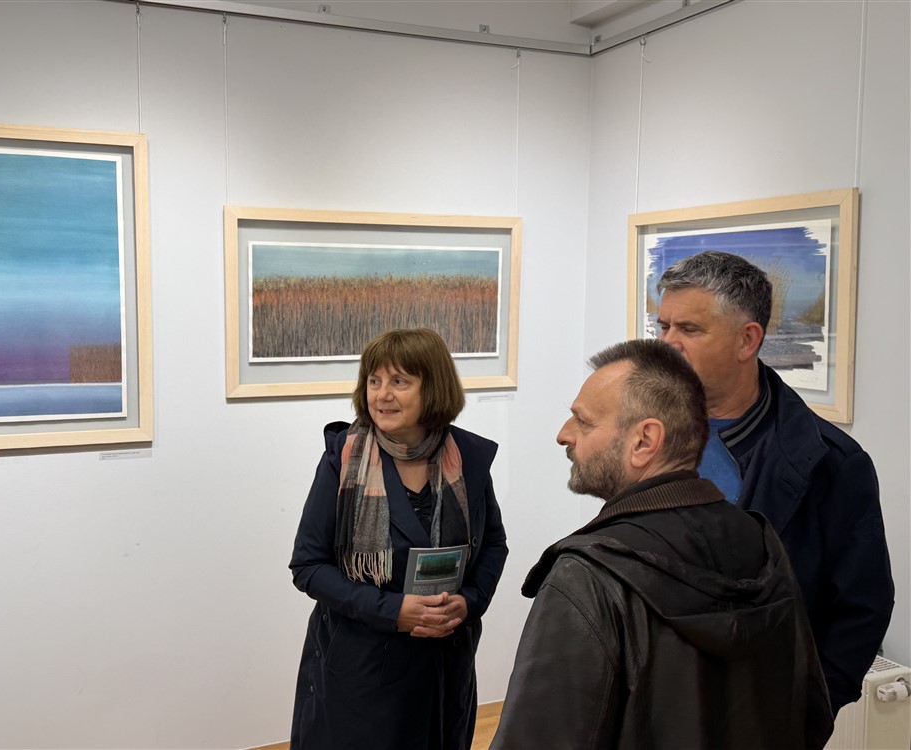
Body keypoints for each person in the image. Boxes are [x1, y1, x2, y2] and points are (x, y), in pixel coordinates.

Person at [491, 339, 833, 750]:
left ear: (644, 441)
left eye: (583, 421)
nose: (564, 435)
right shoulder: (761, 544)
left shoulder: (586, 577)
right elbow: (811, 714)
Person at [656, 250, 894, 715]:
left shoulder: (831, 463)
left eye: (689, 329)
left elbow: (862, 607)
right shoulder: (648, 433)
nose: (668, 344)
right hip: (654, 700)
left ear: (747, 340)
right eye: (663, 326)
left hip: (757, 713)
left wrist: (807, 713)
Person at [289, 327, 509, 750]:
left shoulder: (469, 458)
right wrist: (393, 611)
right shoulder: (343, 458)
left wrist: (470, 601)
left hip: (445, 663)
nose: (382, 395)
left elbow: (494, 545)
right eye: (374, 381)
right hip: (362, 671)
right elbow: (308, 566)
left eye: (399, 381)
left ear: (434, 387)